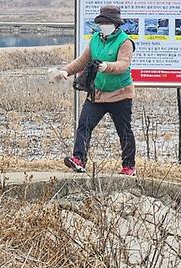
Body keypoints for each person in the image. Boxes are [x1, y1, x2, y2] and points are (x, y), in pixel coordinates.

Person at [51, 5, 137, 176]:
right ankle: (79, 159)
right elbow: (83, 61)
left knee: (124, 131)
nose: (103, 25)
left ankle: (129, 166)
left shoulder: (125, 42)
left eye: (106, 22)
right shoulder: (95, 39)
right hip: (97, 94)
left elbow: (123, 64)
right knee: (84, 124)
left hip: (120, 95)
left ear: (115, 24)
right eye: (101, 22)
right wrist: (65, 71)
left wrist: (107, 66)